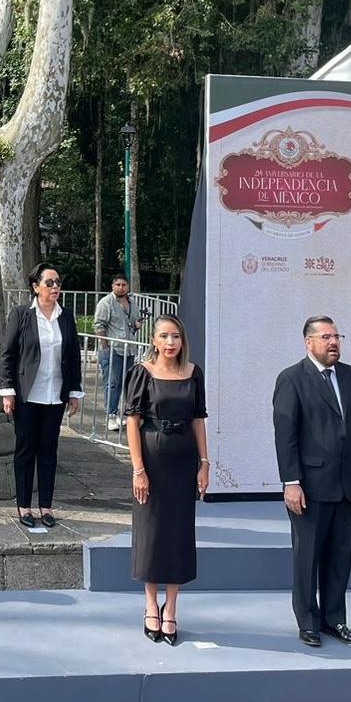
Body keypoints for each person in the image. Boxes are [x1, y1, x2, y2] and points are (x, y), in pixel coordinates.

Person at [272, 315, 351, 648]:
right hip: (310, 485)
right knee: (308, 557)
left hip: (346, 484)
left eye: (336, 337)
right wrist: (291, 481)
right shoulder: (292, 379)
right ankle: (308, 621)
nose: (333, 343)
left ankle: (335, 619)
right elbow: (285, 436)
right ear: (309, 342)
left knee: (339, 556)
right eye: (325, 337)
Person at [124, 315, 208, 646]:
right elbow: (132, 421)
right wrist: (138, 469)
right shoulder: (142, 372)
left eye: (175, 336)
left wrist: (204, 463)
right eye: (164, 336)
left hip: (184, 462)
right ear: (154, 341)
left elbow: (198, 419)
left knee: (178, 533)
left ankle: (171, 607)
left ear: (182, 340)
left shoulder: (193, 373)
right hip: (151, 460)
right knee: (151, 532)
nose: (170, 342)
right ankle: (150, 604)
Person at [0, 263, 82, 529]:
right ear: (36, 287)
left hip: (55, 394)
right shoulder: (22, 314)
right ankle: (24, 505)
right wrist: (8, 390)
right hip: (27, 394)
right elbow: (8, 354)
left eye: (58, 282)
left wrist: (74, 391)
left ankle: (46, 505)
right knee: (26, 449)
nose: (55, 287)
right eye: (49, 283)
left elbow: (74, 356)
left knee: (48, 450)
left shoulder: (65, 316)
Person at [94, 276, 140, 432]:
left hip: (129, 349)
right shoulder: (106, 303)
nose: (121, 287)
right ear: (112, 286)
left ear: (128, 286)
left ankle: (119, 413)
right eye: (117, 284)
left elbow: (132, 325)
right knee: (112, 383)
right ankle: (111, 415)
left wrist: (136, 325)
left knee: (125, 383)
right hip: (113, 349)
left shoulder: (132, 303)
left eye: (123, 284)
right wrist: (105, 346)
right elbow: (99, 325)